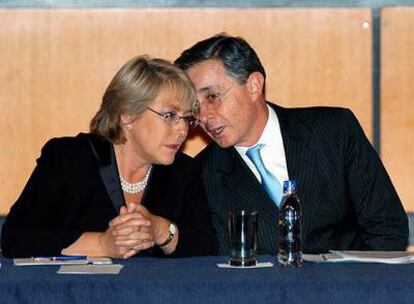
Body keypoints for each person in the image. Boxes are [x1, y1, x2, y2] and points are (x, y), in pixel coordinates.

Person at [174, 34, 409, 255]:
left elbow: (387, 228)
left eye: (212, 97)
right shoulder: (203, 174)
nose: (204, 117)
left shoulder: (333, 131)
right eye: (195, 107)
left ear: (254, 85)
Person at [1, 55, 217, 259]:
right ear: (128, 115)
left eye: (186, 118)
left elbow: (207, 246)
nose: (182, 130)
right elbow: (16, 238)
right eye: (170, 116)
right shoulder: (69, 158)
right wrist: (103, 245)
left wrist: (160, 230)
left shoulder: (184, 171)